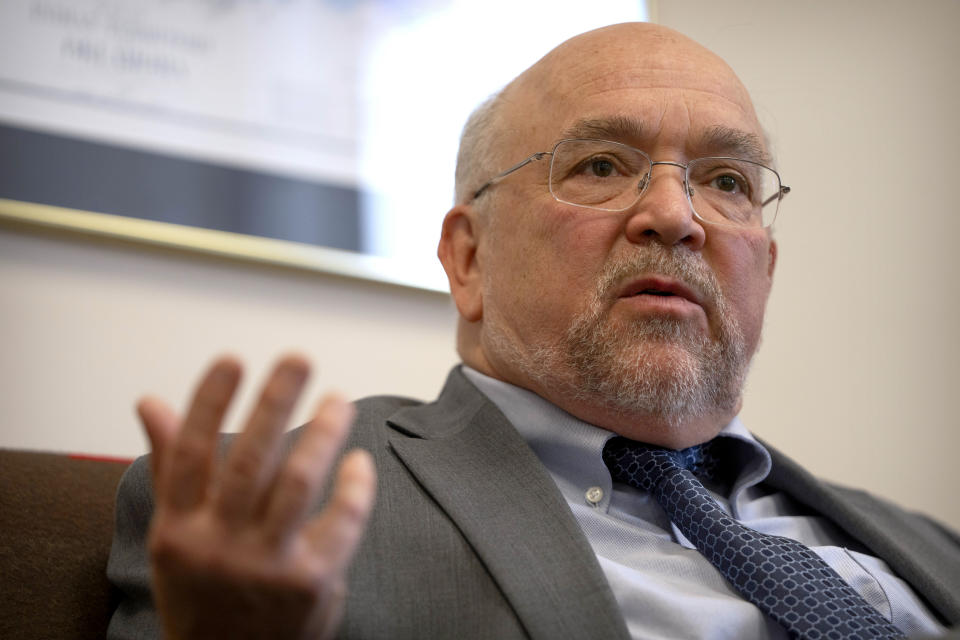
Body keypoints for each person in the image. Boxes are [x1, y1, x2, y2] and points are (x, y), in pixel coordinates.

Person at [107, 22, 960, 639]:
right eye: (600, 165)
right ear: (468, 257)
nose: (674, 214)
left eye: (727, 179)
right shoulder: (258, 519)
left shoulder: (933, 546)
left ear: (764, 269)